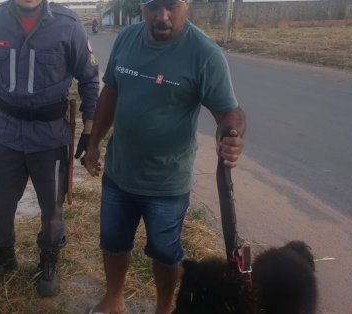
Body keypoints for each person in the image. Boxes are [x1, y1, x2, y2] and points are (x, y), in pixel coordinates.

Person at [83, 0, 246, 312]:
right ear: (142, 6)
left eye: (171, 6)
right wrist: (94, 142)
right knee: (113, 242)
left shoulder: (204, 54)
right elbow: (111, 93)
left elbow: (229, 112)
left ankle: (163, 308)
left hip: (167, 183)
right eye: (153, 6)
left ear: (187, 4)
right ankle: (114, 297)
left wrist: (231, 136)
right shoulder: (127, 38)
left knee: (164, 252)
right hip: (119, 173)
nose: (162, 16)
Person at [0, 0, 99, 297]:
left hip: (50, 135)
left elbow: (89, 79)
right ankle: (3, 256)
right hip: (7, 131)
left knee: (52, 206)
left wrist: (90, 131)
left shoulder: (69, 24)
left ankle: (49, 258)